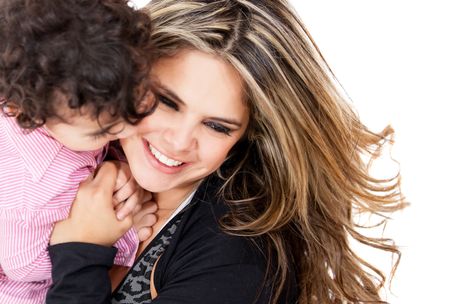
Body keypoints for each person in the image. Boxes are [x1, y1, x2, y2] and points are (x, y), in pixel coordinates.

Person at [46, 0, 406, 303]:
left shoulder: (238, 261)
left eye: (217, 126)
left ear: (250, 134)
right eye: (166, 101)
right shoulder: (67, 148)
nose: (178, 141)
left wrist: (81, 253)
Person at [0, 0, 157, 303]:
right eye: (103, 131)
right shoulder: (35, 195)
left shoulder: (39, 86)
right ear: (29, 115)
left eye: (134, 106)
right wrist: (120, 236)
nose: (127, 131)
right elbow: (21, 265)